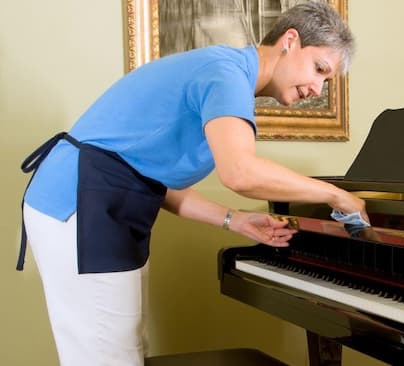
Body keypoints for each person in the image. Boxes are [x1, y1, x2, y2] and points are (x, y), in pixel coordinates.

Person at [17, 2, 367, 365]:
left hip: (103, 200)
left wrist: (236, 219)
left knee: (123, 349)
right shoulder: (226, 74)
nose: (317, 87)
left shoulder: (228, 72)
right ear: (290, 40)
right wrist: (336, 195)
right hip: (82, 201)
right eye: (319, 69)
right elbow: (240, 173)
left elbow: (156, 182)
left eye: (326, 81)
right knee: (107, 357)